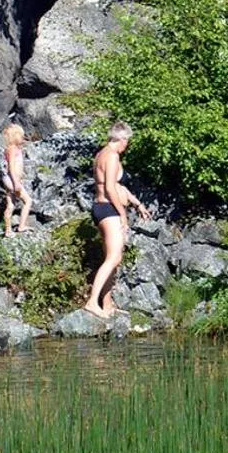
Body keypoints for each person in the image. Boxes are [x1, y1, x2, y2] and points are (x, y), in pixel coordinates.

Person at [83, 121, 151, 319]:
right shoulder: (111, 157)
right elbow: (111, 189)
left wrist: (137, 204)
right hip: (108, 209)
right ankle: (92, 302)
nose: (127, 145)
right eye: (126, 141)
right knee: (114, 257)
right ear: (121, 139)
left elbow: (119, 187)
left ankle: (107, 303)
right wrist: (123, 215)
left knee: (112, 257)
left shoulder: (101, 154)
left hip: (102, 208)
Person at [0, 123, 31, 236]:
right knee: (28, 201)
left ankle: (8, 230)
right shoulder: (12, 149)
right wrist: (16, 182)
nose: (22, 138)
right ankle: (21, 226)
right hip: (12, 181)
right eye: (21, 136)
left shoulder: (12, 149)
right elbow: (11, 167)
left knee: (11, 205)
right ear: (15, 137)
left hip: (10, 181)